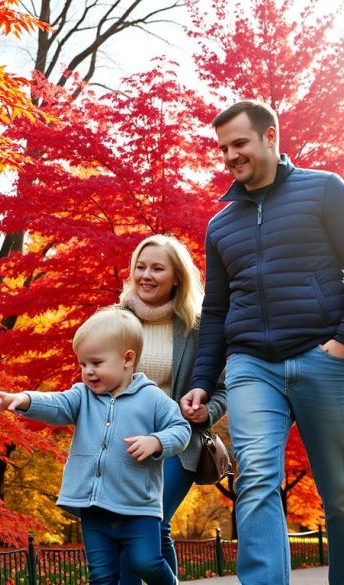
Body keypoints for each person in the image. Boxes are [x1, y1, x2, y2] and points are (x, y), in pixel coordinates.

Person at [181, 100, 344, 585]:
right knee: (255, 479)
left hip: (325, 359)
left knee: (340, 492)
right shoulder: (221, 224)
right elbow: (214, 313)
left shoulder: (324, 191)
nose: (230, 156)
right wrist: (204, 383)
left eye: (240, 144)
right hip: (252, 366)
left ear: (270, 136)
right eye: (223, 148)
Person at [0, 307, 191, 585]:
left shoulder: (153, 398)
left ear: (127, 359)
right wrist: (23, 399)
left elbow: (181, 430)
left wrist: (156, 441)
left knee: (146, 562)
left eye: (96, 363)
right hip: (93, 507)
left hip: (137, 507)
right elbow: (56, 404)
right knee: (102, 576)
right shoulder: (82, 396)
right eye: (83, 365)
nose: (88, 372)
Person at [116, 235, 227, 585]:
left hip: (178, 443)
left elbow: (222, 390)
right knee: (138, 529)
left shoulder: (197, 329)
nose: (146, 275)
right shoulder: (115, 322)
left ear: (177, 276)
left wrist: (205, 412)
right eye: (140, 267)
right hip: (123, 444)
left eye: (157, 268)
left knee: (148, 522)